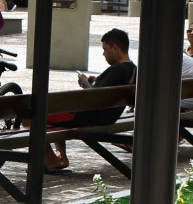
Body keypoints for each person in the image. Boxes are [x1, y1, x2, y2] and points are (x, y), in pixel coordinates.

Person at [47, 28, 138, 170]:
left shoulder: (117, 69)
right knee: (52, 114)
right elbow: (106, 90)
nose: (103, 54)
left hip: (87, 118)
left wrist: (85, 83)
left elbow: (94, 97)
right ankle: (59, 156)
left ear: (115, 48)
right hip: (107, 117)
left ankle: (52, 159)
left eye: (105, 49)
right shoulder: (133, 70)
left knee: (36, 114)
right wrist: (95, 81)